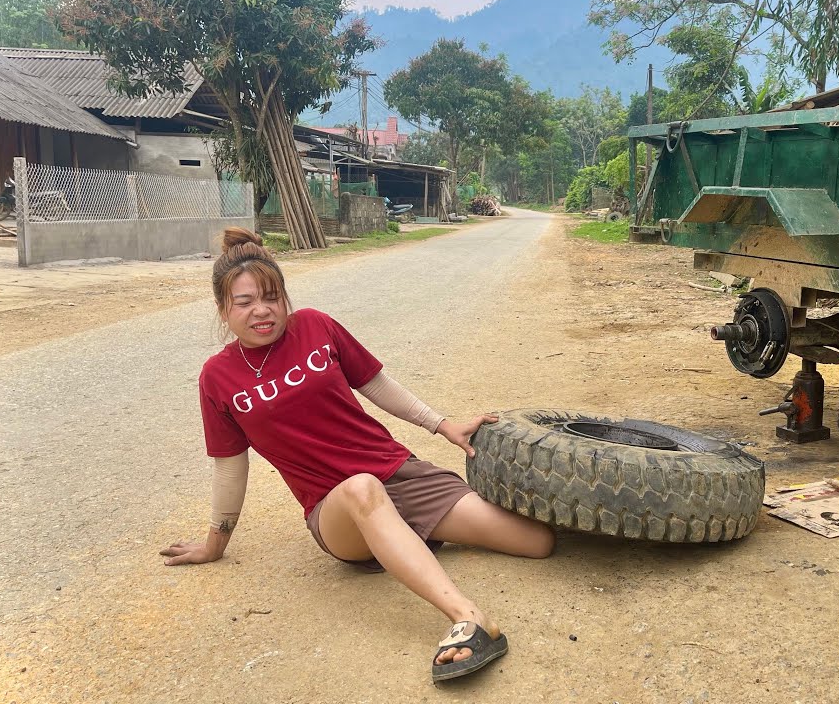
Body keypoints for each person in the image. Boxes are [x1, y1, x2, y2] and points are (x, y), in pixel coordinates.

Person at [160, 227, 555, 682]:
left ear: (285, 297)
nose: (262, 310)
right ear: (223, 309)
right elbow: (230, 464)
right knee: (362, 489)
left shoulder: (316, 326)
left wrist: (443, 425)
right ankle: (468, 617)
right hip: (338, 511)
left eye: (271, 296)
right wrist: (215, 542)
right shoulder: (218, 377)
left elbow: (377, 385)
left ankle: (408, 541)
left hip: (398, 476)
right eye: (244, 301)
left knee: (537, 543)